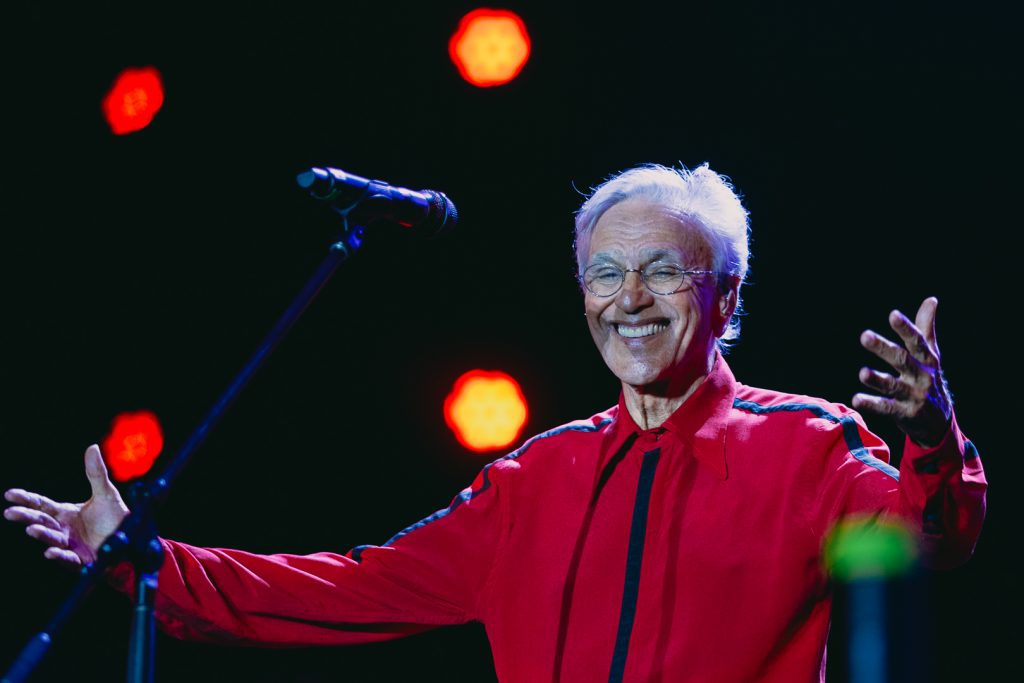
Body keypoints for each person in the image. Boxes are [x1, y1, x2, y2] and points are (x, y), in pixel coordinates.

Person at [4, 163, 986, 682]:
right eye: (603, 272)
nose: (628, 297)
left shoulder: (808, 447)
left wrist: (933, 438)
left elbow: (928, 535)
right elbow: (349, 588)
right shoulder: (533, 481)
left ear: (724, 297)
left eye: (660, 271)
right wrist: (145, 558)